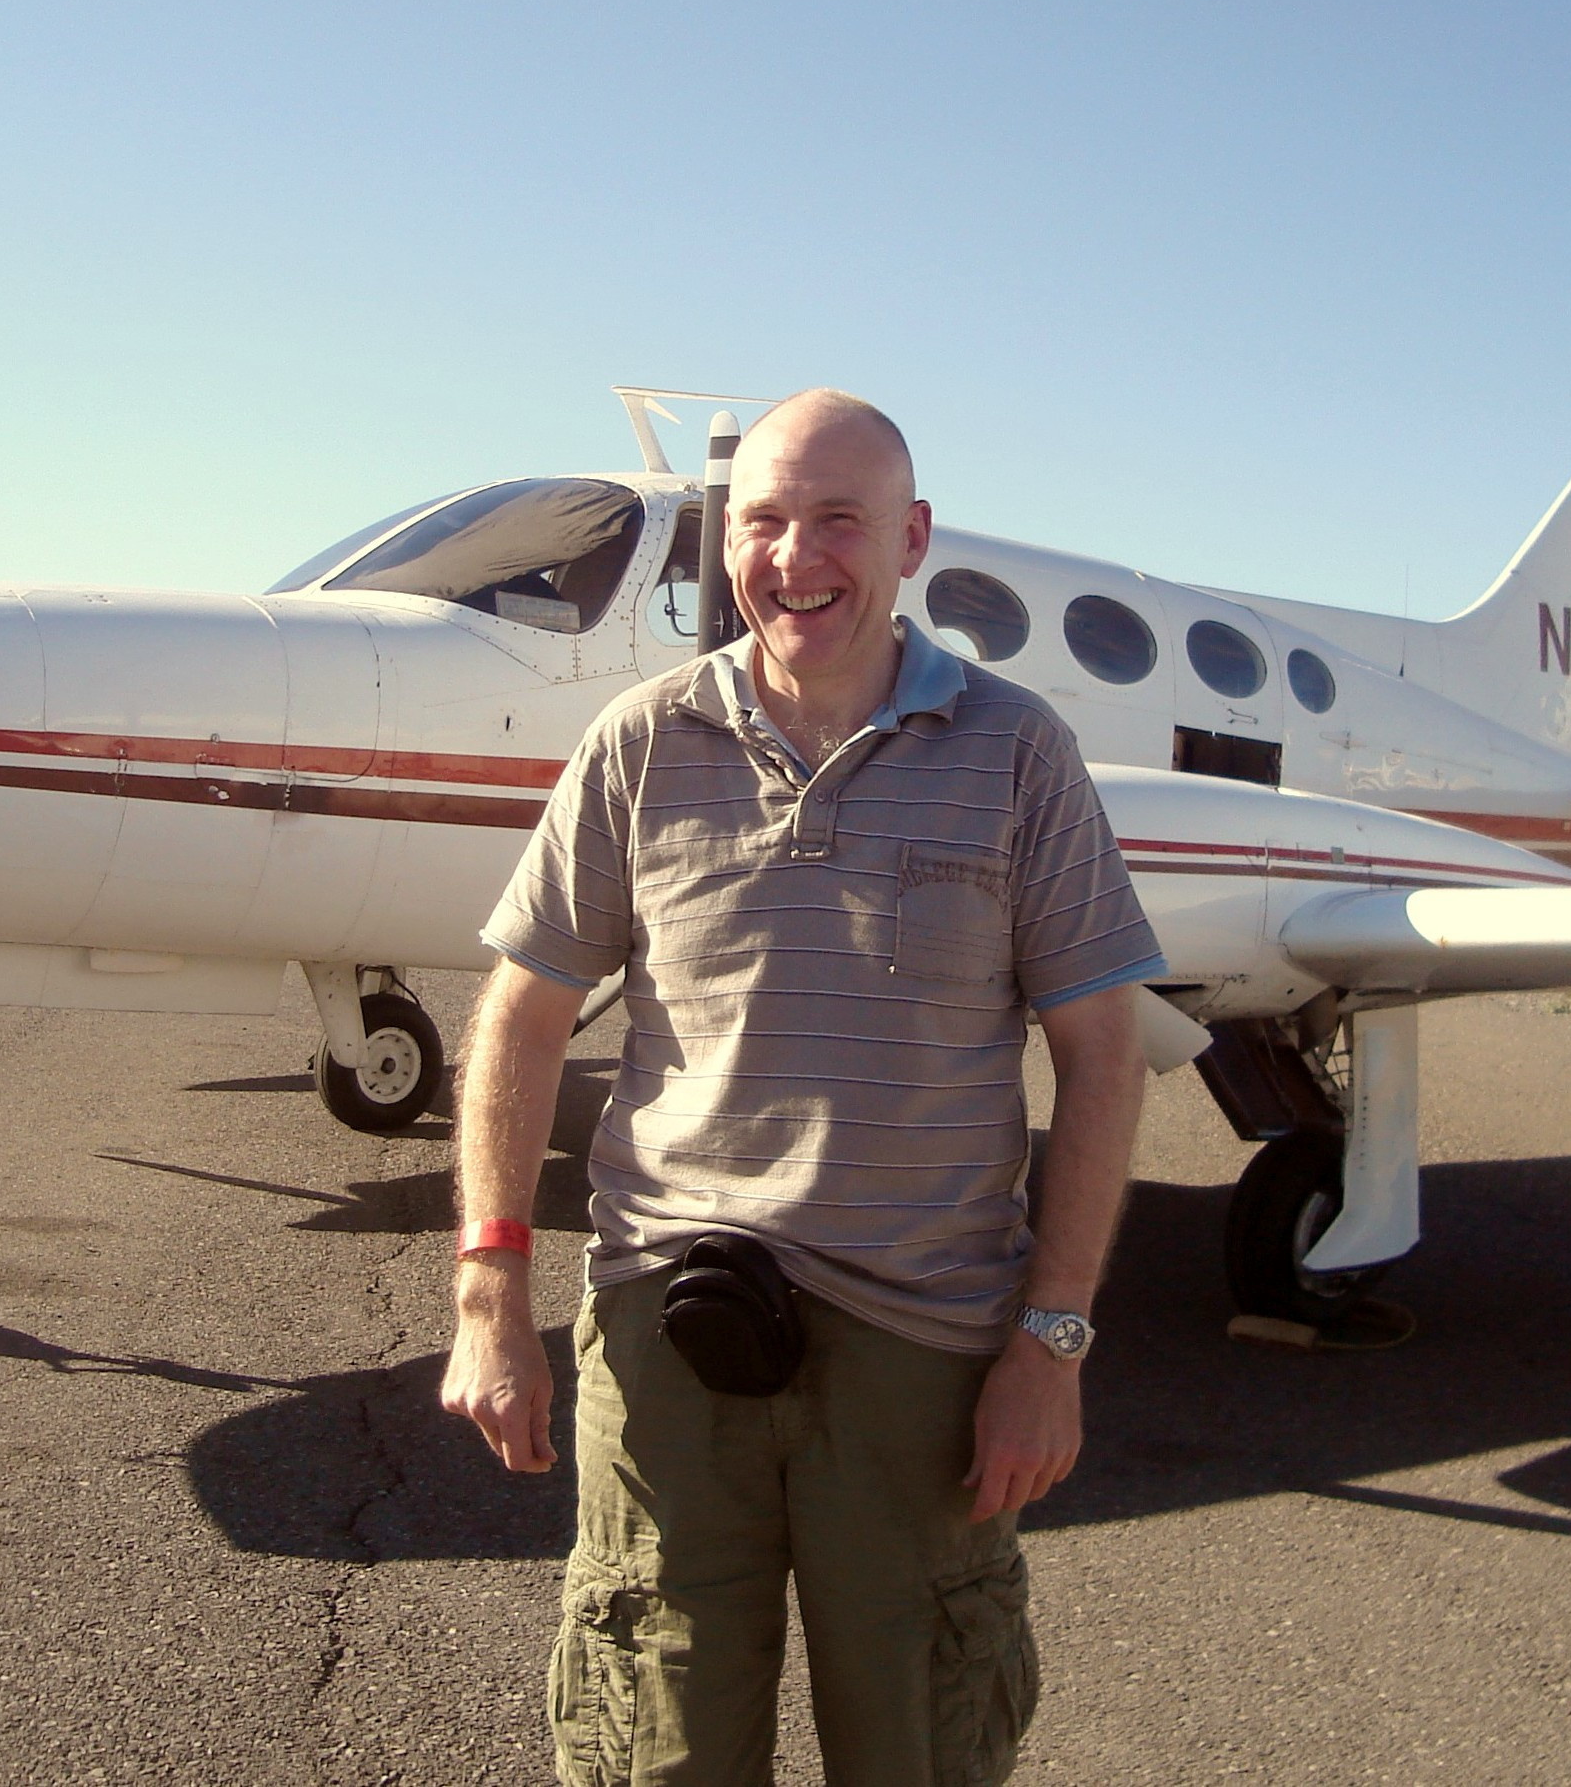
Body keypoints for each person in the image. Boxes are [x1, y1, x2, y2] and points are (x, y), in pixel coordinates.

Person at [440, 389, 1163, 1785]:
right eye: (763, 520)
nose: (794, 555)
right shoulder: (640, 744)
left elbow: (1103, 1055)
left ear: (911, 537)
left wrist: (1052, 1345)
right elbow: (519, 1019)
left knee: (920, 1751)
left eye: (839, 518)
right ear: (728, 545)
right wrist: (490, 1296)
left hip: (926, 1365)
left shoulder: (1021, 756)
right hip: (667, 1340)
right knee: (654, 1752)